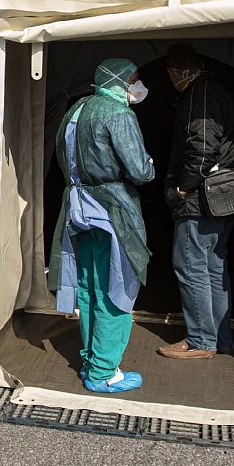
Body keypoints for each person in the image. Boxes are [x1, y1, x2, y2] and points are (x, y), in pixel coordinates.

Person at [48, 58, 155, 393]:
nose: (138, 85)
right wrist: (149, 165)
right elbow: (139, 170)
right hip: (112, 212)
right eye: (135, 79)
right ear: (120, 80)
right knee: (116, 289)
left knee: (90, 287)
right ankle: (105, 372)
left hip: (77, 209)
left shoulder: (76, 110)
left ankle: (92, 362)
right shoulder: (118, 113)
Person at [159, 44, 234, 361]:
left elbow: (201, 144)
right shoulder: (222, 91)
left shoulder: (201, 94)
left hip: (201, 199)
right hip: (225, 196)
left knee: (190, 266)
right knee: (214, 268)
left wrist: (183, 188)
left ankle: (200, 341)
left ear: (177, 72)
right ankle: (218, 339)